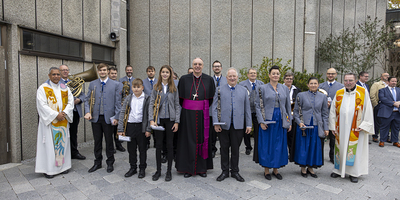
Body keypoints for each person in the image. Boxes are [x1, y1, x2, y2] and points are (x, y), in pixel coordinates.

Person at [329, 73, 374, 183]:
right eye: (346, 80)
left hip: (356, 128)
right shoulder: (339, 92)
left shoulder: (362, 92)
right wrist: (332, 126)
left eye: (350, 80)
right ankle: (338, 170)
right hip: (341, 127)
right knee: (340, 148)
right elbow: (333, 110)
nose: (348, 83)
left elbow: (368, 109)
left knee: (355, 151)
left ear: (355, 80)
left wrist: (364, 125)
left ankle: (354, 173)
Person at [175, 57, 215, 178]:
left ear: (203, 66)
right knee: (187, 140)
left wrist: (199, 106)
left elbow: (211, 98)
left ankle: (202, 169)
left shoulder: (209, 79)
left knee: (203, 140)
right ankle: (188, 168)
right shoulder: (184, 79)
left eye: (200, 64)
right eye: (195, 64)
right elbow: (180, 99)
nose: (197, 66)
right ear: (192, 65)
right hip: (187, 115)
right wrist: (191, 107)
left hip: (203, 115)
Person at [212, 68, 252, 182]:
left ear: (237, 77)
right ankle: (224, 171)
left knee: (236, 149)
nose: (232, 78)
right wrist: (215, 123)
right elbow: (214, 108)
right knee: (224, 149)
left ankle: (235, 171)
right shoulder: (219, 90)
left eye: (234, 76)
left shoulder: (243, 90)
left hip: (238, 126)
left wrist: (249, 124)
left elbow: (247, 109)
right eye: (230, 76)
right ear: (226, 77)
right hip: (223, 125)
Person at [35, 67, 74, 178]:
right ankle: (49, 170)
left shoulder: (64, 87)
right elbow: (41, 105)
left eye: (58, 74)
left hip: (63, 120)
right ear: (49, 75)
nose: (56, 76)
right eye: (54, 74)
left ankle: (63, 167)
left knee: (62, 145)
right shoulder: (43, 88)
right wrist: (55, 115)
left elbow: (71, 102)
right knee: (50, 145)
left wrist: (65, 113)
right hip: (50, 122)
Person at [255, 65, 292, 180]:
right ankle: (266, 170)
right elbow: (257, 105)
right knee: (267, 144)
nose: (275, 75)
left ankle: (276, 169)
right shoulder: (262, 88)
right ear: (269, 75)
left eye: (277, 73)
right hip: (268, 119)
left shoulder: (284, 88)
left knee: (279, 144)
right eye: (273, 73)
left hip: (280, 119)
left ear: (280, 76)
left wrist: (288, 122)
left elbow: (287, 106)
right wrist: (261, 121)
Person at [84, 63, 122, 173]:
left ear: (107, 71)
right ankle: (97, 162)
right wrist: (87, 111)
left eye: (104, 70)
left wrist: (116, 117)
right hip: (95, 117)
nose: (102, 72)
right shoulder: (92, 84)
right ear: (98, 71)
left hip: (109, 118)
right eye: (100, 70)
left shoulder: (116, 85)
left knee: (109, 141)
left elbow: (118, 103)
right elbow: (87, 99)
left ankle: (110, 162)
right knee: (97, 141)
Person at [149, 65, 181, 181]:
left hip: (170, 120)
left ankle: (168, 171)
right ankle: (158, 171)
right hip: (158, 120)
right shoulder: (156, 87)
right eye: (163, 72)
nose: (165, 74)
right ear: (160, 73)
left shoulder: (174, 88)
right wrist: (151, 120)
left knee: (170, 145)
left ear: (170, 74)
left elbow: (177, 106)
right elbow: (151, 104)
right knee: (158, 146)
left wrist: (177, 122)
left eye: (167, 72)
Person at [293, 77, 329, 178]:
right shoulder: (301, 95)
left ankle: (311, 167)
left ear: (318, 85)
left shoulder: (323, 97)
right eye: (311, 83)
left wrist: (326, 128)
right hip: (304, 126)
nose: (313, 85)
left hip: (317, 126)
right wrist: (299, 123)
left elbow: (325, 114)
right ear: (308, 85)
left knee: (314, 147)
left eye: (315, 83)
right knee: (303, 147)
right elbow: (296, 112)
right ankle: (303, 168)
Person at [117, 79, 151, 178]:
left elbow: (149, 115)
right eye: (134, 87)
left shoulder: (147, 98)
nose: (136, 89)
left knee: (142, 149)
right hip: (130, 126)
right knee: (131, 149)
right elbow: (122, 112)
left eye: (138, 87)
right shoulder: (129, 98)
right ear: (132, 88)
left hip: (142, 126)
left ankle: (142, 168)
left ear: (142, 88)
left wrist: (148, 129)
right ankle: (133, 168)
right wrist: (120, 128)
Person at [59, 64, 86, 160]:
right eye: (63, 70)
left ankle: (74, 152)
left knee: (73, 132)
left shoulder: (73, 82)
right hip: (63, 112)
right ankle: (63, 153)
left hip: (74, 112)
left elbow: (83, 95)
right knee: (63, 133)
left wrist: (79, 100)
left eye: (67, 70)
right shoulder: (57, 82)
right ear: (60, 72)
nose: (65, 72)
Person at [318, 68, 344, 164]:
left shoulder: (341, 87)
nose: (330, 75)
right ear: (326, 74)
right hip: (322, 115)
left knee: (333, 137)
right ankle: (319, 157)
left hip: (335, 116)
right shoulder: (320, 86)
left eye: (332, 74)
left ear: (336, 74)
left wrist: (332, 104)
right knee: (321, 136)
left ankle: (332, 156)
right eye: (329, 73)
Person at [239, 68, 264, 157]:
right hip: (247, 110)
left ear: (256, 74)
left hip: (257, 111)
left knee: (258, 130)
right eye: (251, 73)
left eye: (254, 73)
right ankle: (248, 147)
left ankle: (258, 147)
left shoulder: (261, 84)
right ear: (247, 75)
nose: (253, 74)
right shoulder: (242, 84)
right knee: (247, 130)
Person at [210, 60, 228, 158]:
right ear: (212, 68)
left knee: (223, 131)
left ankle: (223, 149)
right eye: (215, 66)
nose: (217, 68)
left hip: (224, 110)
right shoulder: (209, 80)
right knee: (212, 132)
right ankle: (212, 149)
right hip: (212, 109)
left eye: (218, 66)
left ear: (221, 68)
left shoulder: (226, 80)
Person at [377, 76, 400, 148]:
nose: (394, 83)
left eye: (395, 81)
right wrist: (393, 103)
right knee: (384, 127)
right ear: (388, 82)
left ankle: (395, 141)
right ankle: (382, 141)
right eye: (392, 81)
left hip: (397, 112)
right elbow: (383, 99)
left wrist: (399, 102)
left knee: (396, 127)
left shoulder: (399, 90)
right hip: (386, 112)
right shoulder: (382, 90)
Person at [283, 71, 301, 162]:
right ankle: (283, 154)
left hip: (293, 116)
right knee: (283, 136)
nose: (289, 80)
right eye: (287, 78)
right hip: (283, 115)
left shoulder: (297, 90)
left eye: (290, 79)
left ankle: (291, 154)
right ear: (284, 79)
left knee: (292, 136)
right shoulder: (280, 88)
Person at [108, 66, 126, 153]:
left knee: (117, 128)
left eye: (115, 73)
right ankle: (111, 147)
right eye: (112, 73)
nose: (114, 75)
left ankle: (118, 145)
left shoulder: (120, 84)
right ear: (108, 74)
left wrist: (123, 102)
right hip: (109, 110)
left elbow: (123, 95)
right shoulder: (106, 84)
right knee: (109, 130)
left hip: (118, 110)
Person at [370, 72, 390, 143]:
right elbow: (372, 95)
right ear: (381, 77)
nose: (387, 77)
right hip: (379, 105)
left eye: (388, 75)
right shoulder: (376, 84)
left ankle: (386, 137)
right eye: (385, 75)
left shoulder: (390, 85)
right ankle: (375, 136)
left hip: (388, 106)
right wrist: (375, 105)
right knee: (377, 122)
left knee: (386, 122)